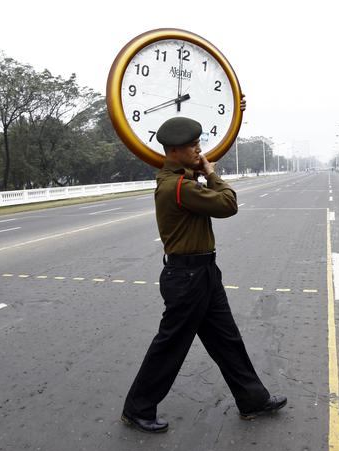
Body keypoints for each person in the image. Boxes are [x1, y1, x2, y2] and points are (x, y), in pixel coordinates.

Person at [121, 115, 287, 433]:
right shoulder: (178, 188)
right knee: (170, 346)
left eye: (198, 144)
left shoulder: (181, 180)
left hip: (203, 271)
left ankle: (252, 399)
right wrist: (212, 174)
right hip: (187, 278)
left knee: (227, 340)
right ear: (173, 151)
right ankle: (137, 408)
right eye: (193, 146)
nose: (199, 150)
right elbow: (228, 204)